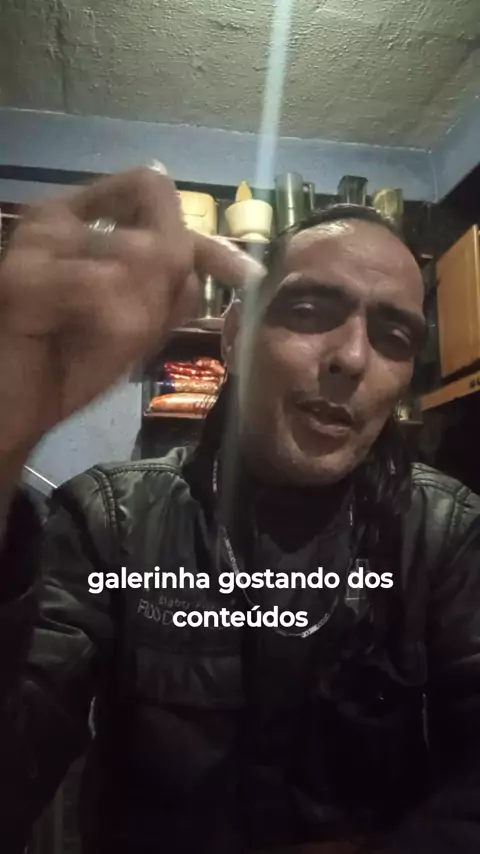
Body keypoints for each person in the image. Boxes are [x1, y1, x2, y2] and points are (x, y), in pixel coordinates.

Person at [0, 167, 480, 854]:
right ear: (232, 338)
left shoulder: (449, 533)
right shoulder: (111, 520)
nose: (352, 357)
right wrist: (6, 431)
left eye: (394, 337)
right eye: (309, 310)